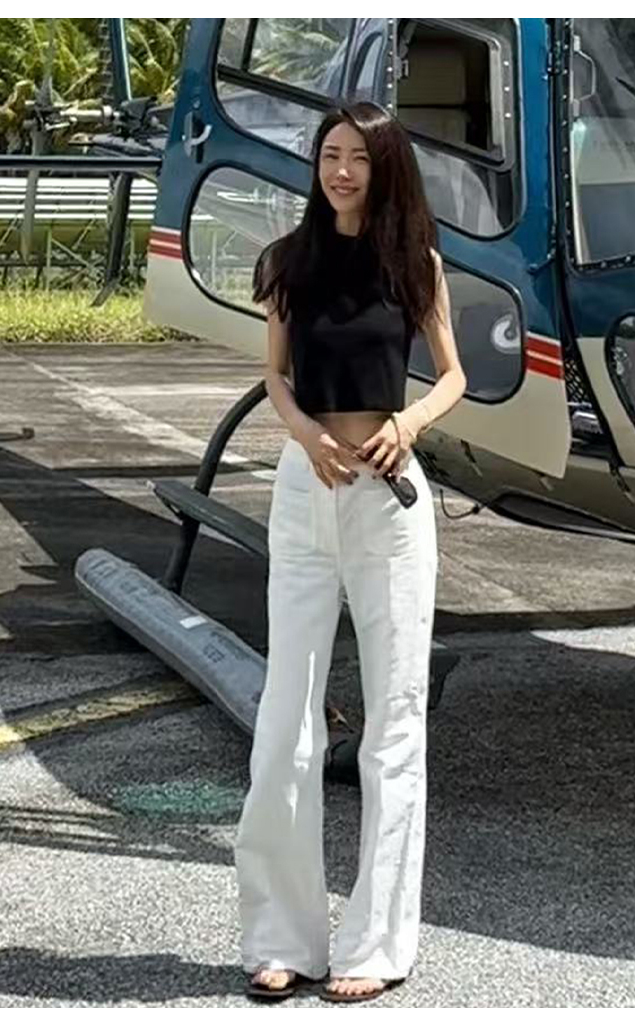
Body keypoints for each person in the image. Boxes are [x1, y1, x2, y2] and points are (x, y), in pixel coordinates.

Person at [233, 100, 466, 1004]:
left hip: (389, 503)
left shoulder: (416, 264)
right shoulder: (287, 263)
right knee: (283, 720)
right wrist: (302, 434)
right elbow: (275, 377)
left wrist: (410, 423)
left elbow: (453, 376)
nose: (340, 171)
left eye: (358, 158)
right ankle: (281, 939)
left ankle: (376, 945)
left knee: (392, 723)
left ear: (385, 167)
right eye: (330, 155)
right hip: (305, 494)